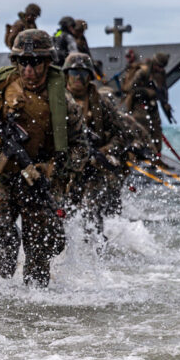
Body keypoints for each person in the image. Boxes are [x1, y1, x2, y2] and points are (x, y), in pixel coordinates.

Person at [0, 29, 85, 287]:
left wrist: (53, 167)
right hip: (4, 173)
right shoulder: (0, 86)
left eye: (35, 63)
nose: (28, 69)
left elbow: (81, 148)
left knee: (41, 254)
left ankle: (34, 318)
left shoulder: (64, 103)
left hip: (39, 182)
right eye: (22, 62)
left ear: (47, 62)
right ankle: (9, 242)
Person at [62, 52, 128, 236]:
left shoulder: (101, 103)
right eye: (73, 73)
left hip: (93, 168)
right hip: (64, 166)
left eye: (82, 74)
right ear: (66, 75)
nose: (77, 78)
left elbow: (122, 136)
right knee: (61, 212)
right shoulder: (58, 101)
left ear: (90, 77)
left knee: (91, 212)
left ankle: (96, 254)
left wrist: (104, 152)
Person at [121, 52, 173, 156]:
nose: (161, 69)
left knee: (157, 127)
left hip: (152, 104)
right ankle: (140, 151)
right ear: (154, 63)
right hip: (138, 103)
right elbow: (130, 88)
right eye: (159, 66)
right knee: (142, 125)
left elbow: (164, 90)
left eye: (163, 67)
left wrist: (166, 104)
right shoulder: (143, 72)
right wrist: (146, 91)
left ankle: (156, 153)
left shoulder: (161, 74)